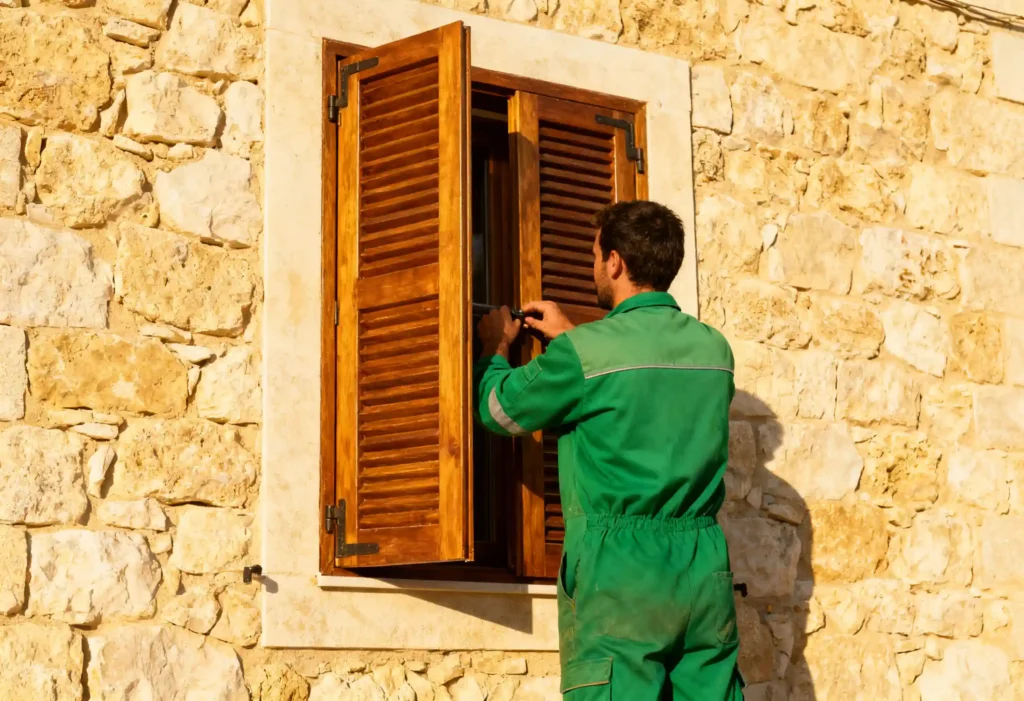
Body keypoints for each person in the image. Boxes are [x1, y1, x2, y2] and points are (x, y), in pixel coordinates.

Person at [474, 201, 744, 700]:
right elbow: (642, 388)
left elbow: (498, 410)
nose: (593, 265)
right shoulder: (715, 351)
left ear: (616, 262)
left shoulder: (586, 355)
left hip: (620, 573)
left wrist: (496, 348)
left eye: (595, 254)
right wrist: (577, 338)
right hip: (703, 567)